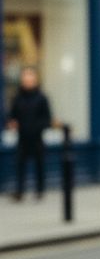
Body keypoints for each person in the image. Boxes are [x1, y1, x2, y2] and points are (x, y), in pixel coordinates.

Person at [6, 66, 52, 201]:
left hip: (37, 137)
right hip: (22, 137)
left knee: (39, 164)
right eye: (25, 77)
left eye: (30, 77)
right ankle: (20, 191)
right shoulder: (18, 98)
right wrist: (12, 122)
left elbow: (47, 119)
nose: (27, 80)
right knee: (20, 164)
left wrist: (36, 127)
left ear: (35, 80)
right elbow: (12, 115)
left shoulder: (42, 98)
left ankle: (40, 190)